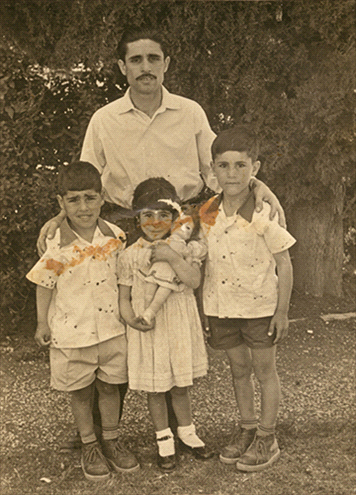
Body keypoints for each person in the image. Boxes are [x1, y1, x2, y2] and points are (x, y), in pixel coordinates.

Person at [35, 25, 285, 447]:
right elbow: (86, 178)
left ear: (166, 64)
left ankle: (174, 428)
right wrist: (61, 216)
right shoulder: (104, 119)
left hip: (180, 218)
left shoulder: (190, 112)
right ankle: (98, 433)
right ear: (122, 67)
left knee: (171, 314)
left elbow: (220, 167)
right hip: (124, 222)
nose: (145, 68)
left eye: (153, 59)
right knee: (119, 318)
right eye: (136, 60)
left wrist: (261, 185)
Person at [27, 162, 139, 481]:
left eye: (90, 198)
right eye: (73, 200)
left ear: (102, 198)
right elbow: (44, 284)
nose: (83, 207)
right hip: (72, 330)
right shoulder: (56, 244)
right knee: (79, 390)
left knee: (110, 385)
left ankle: (112, 440)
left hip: (111, 329)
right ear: (61, 203)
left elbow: (124, 282)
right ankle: (89, 443)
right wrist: (42, 324)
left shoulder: (116, 237)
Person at [196, 125, 296, 472]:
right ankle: (247, 426)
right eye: (223, 166)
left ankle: (267, 436)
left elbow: (284, 261)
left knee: (264, 371)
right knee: (238, 369)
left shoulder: (264, 211)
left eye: (240, 165)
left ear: (255, 167)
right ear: (212, 170)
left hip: (260, 308)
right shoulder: (206, 212)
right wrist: (204, 310)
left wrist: (281, 312)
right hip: (222, 307)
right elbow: (203, 261)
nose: (232, 173)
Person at [118, 177, 214, 472]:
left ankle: (187, 431)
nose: (155, 222)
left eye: (163, 215)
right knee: (156, 389)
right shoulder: (130, 254)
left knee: (180, 385)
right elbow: (123, 295)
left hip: (178, 324)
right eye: (147, 215)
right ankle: (163, 438)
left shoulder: (182, 247)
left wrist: (171, 256)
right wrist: (131, 320)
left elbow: (194, 280)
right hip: (149, 329)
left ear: (174, 218)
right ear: (138, 219)